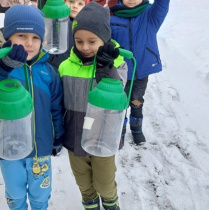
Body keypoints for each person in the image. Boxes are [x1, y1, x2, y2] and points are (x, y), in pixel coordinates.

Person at [0, 5, 64, 210]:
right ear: (9, 36)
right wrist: (3, 66)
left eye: (35, 38)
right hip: (9, 147)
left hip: (40, 146)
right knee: (15, 192)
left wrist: (58, 135)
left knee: (40, 193)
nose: (29, 43)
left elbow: (56, 106)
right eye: (22, 35)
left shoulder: (47, 71)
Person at [58, 2, 128, 209]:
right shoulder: (65, 66)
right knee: (83, 181)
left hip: (103, 137)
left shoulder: (118, 64)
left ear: (104, 39)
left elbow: (119, 91)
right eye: (79, 41)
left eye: (92, 41)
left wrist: (105, 68)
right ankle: (89, 202)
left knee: (104, 181)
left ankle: (110, 200)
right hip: (74, 135)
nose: (85, 47)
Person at [109, 0, 170, 148]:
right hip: (120, 72)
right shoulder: (112, 17)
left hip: (141, 70)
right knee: (119, 103)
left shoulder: (150, 15)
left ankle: (136, 128)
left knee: (136, 100)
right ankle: (119, 130)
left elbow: (162, 4)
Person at [47, 0, 89, 71]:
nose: (75, 6)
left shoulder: (86, 27)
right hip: (53, 67)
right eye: (71, 2)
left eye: (80, 4)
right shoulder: (55, 20)